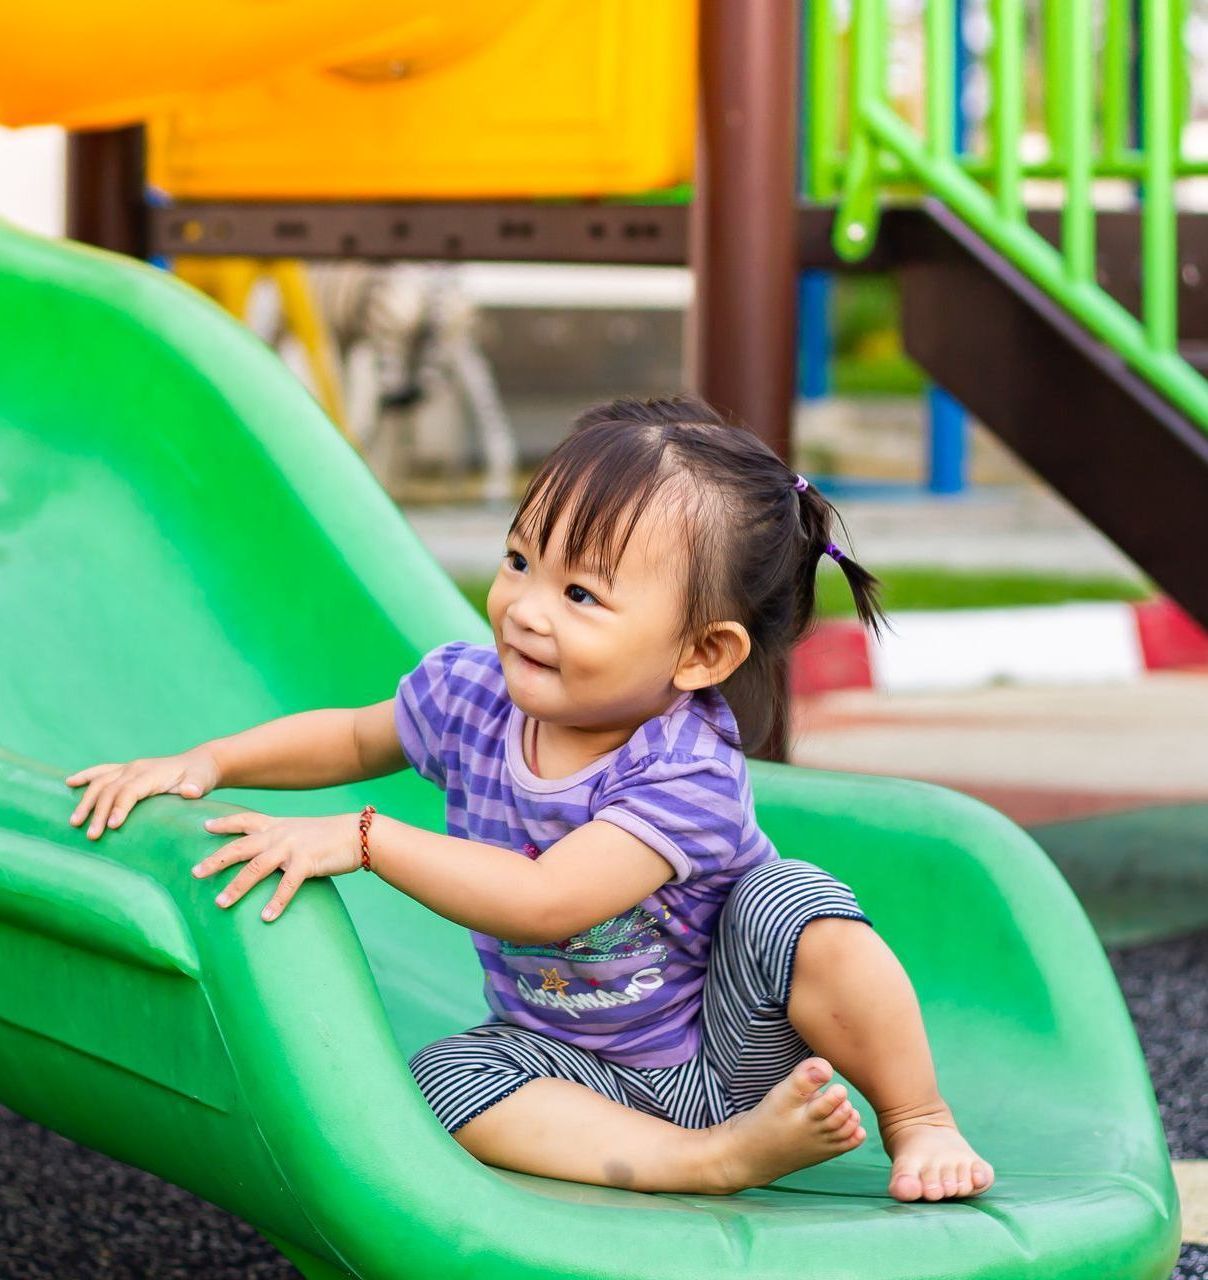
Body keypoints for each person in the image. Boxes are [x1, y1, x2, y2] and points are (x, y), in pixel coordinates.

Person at [64, 394, 995, 1202]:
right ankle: (696, 1161)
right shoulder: (473, 695)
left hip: (728, 1045)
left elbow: (550, 901)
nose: (527, 607)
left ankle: (919, 1118)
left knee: (790, 902)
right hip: (569, 1059)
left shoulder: (685, 771)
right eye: (520, 560)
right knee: (441, 1082)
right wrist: (209, 762)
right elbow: (353, 736)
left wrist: (365, 838)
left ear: (699, 655)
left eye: (583, 594)